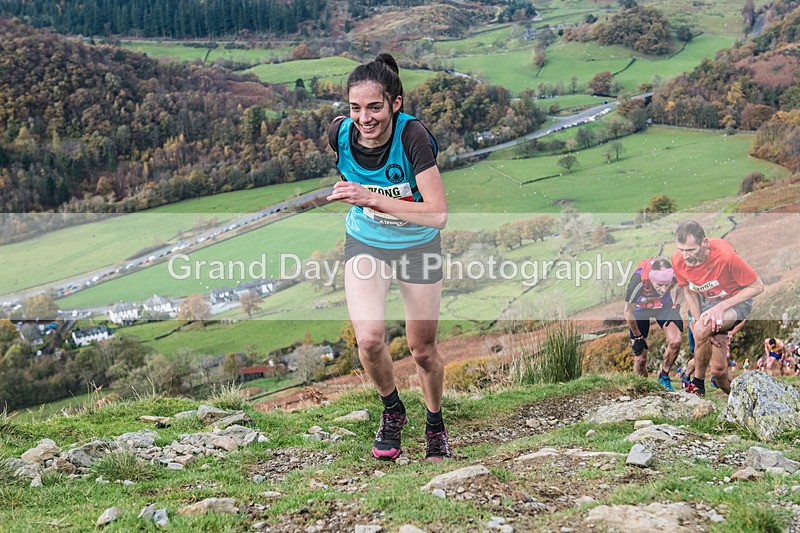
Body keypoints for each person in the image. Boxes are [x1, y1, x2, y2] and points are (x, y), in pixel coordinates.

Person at [326, 53, 451, 461]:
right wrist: (357, 197)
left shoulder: (412, 137)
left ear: (396, 103)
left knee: (422, 350)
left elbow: (437, 214)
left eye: (375, 107)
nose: (364, 118)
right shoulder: (339, 135)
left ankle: (435, 425)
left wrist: (370, 197)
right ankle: (393, 410)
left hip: (418, 245)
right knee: (369, 339)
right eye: (355, 108)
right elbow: (353, 176)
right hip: (367, 243)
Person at [672, 220, 764, 396]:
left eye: (691, 250)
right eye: (681, 250)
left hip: (735, 302)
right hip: (706, 304)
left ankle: (697, 384)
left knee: (703, 328)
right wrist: (699, 324)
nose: (685, 256)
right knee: (719, 371)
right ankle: (742, 405)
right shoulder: (678, 260)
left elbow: (757, 286)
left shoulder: (726, 256)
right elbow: (688, 291)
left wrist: (720, 308)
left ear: (704, 243)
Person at [623, 257, 683, 390]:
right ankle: (642, 389)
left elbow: (682, 285)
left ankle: (664, 376)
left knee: (676, 341)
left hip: (663, 307)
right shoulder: (637, 281)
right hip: (640, 310)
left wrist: (675, 307)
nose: (663, 289)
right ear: (651, 279)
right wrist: (638, 337)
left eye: (667, 285)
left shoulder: (673, 273)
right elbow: (627, 312)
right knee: (640, 358)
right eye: (659, 285)